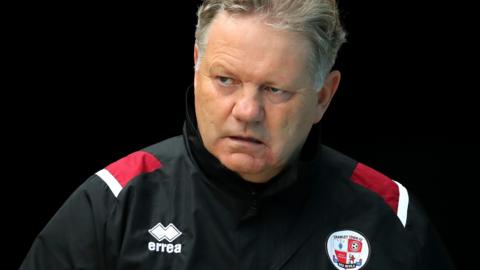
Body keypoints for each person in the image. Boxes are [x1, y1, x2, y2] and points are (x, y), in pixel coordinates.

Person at [21, 0, 455, 269]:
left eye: (275, 89)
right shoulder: (115, 204)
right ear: (196, 65)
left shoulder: (387, 216)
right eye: (226, 79)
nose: (247, 111)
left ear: (324, 95)